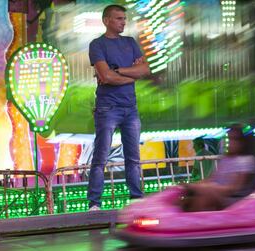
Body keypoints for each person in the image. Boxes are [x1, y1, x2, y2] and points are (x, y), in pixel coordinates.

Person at [87, 4, 150, 211]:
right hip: (107, 108)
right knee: (101, 157)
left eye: (124, 18)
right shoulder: (97, 44)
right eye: (119, 19)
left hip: (130, 108)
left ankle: (136, 200)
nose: (123, 22)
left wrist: (118, 71)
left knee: (133, 158)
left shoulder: (131, 42)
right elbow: (105, 76)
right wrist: (130, 76)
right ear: (106, 20)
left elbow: (144, 70)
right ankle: (94, 203)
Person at [177, 124, 255, 212]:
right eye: (229, 138)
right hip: (219, 194)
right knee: (190, 195)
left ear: (242, 142)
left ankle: (196, 220)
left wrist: (210, 188)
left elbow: (234, 188)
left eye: (233, 139)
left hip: (235, 199)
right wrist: (195, 185)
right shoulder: (226, 159)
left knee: (204, 196)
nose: (229, 143)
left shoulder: (247, 160)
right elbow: (212, 178)